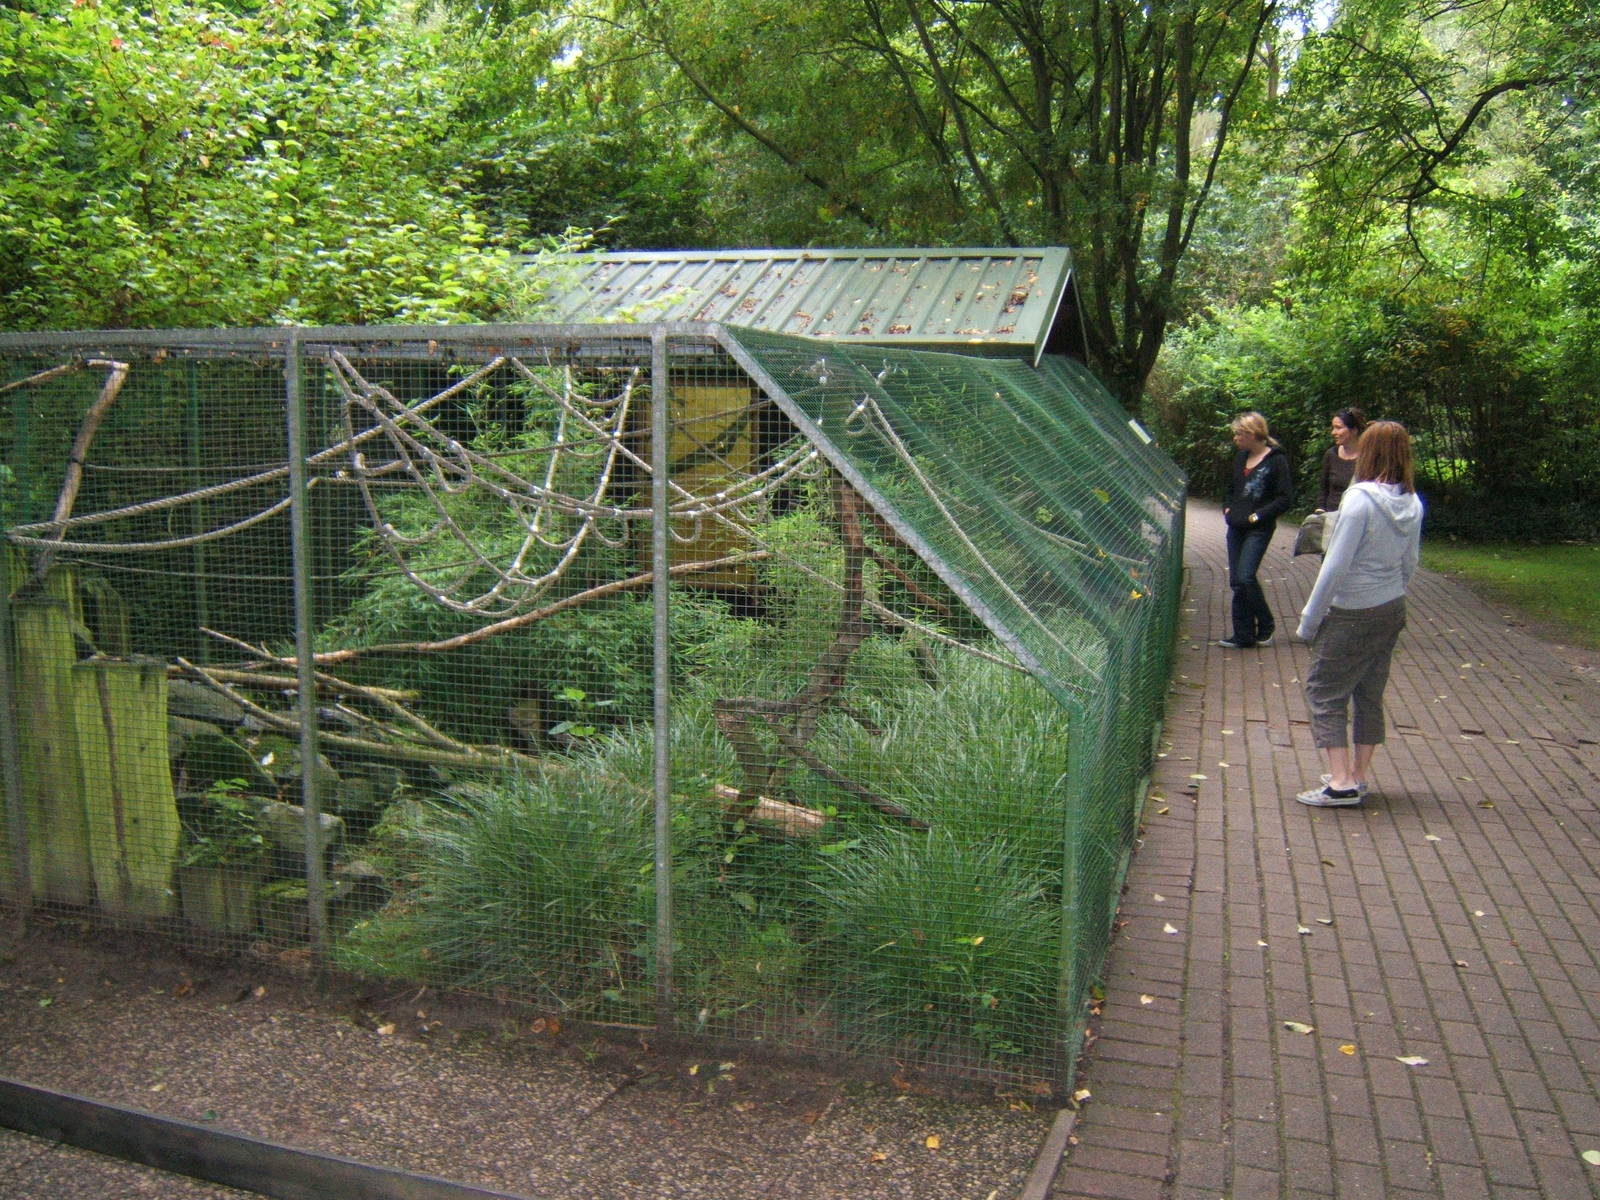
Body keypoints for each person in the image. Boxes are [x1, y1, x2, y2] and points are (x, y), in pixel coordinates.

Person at [1294, 420, 1425, 807]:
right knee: (1369, 690)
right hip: (1390, 606)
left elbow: (1335, 564)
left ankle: (1340, 781)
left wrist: (1309, 619)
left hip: (1353, 608)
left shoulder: (1359, 499)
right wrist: (1393, 592)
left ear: (1368, 451)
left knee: (1324, 690)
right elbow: (1410, 561)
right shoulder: (1413, 502)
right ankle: (1358, 774)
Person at [1218, 411, 1293, 649]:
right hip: (1236, 526)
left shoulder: (1276, 461)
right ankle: (1243, 634)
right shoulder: (1241, 458)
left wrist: (1258, 515)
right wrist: (1228, 507)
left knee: (1246, 575)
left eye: (1239, 434)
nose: (1236, 438)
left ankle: (1266, 623)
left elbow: (1285, 498)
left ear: (1252, 434)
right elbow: (1232, 488)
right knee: (1236, 581)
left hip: (1258, 528)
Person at [1317, 407, 1367, 512]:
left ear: (1354, 430)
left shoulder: (1368, 458)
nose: (1333, 432)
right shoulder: (1331, 455)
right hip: (1331, 518)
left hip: (1357, 518)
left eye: (1338, 428)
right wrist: (1320, 511)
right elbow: (1323, 489)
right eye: (1333, 428)